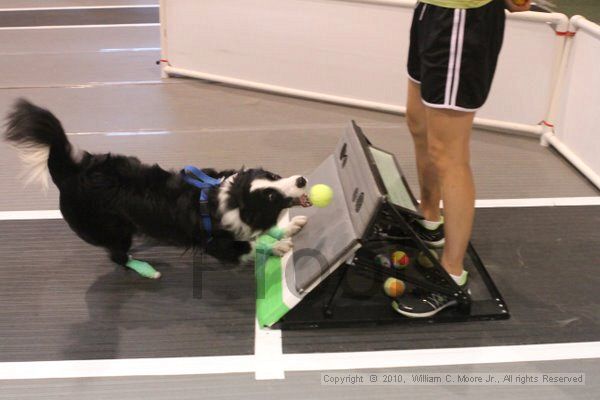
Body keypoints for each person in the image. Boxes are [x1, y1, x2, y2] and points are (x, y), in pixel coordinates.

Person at [393, 0, 531, 317]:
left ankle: (452, 275)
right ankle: (430, 218)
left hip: (462, 18)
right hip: (432, 9)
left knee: (448, 153)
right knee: (418, 122)